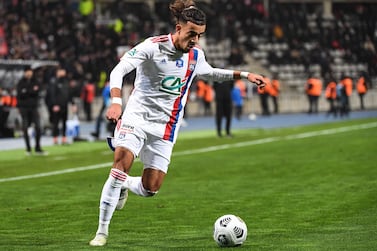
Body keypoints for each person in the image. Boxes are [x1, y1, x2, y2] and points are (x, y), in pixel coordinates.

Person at [89, 0, 265, 246]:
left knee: (151, 189)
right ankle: (102, 232)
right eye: (191, 33)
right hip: (136, 119)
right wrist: (116, 101)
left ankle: (124, 185)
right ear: (178, 28)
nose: (195, 40)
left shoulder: (195, 56)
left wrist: (246, 75)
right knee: (120, 165)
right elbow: (118, 71)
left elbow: (212, 72)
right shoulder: (152, 47)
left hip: (165, 128)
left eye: (200, 35)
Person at [16, 67, 47, 155]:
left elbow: (38, 92)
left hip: (34, 107)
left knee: (38, 127)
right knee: (25, 128)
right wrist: (31, 91)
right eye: (27, 72)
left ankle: (37, 148)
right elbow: (20, 94)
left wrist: (27, 92)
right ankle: (28, 149)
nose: (29, 73)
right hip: (24, 108)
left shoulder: (36, 81)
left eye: (30, 72)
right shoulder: (21, 82)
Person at [45, 67, 76, 145]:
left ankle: (64, 138)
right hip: (56, 106)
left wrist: (73, 103)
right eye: (61, 71)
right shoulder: (53, 81)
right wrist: (54, 105)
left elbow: (69, 94)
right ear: (57, 72)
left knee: (64, 122)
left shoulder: (66, 81)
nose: (63, 72)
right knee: (55, 123)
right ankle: (55, 138)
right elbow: (51, 94)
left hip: (64, 105)